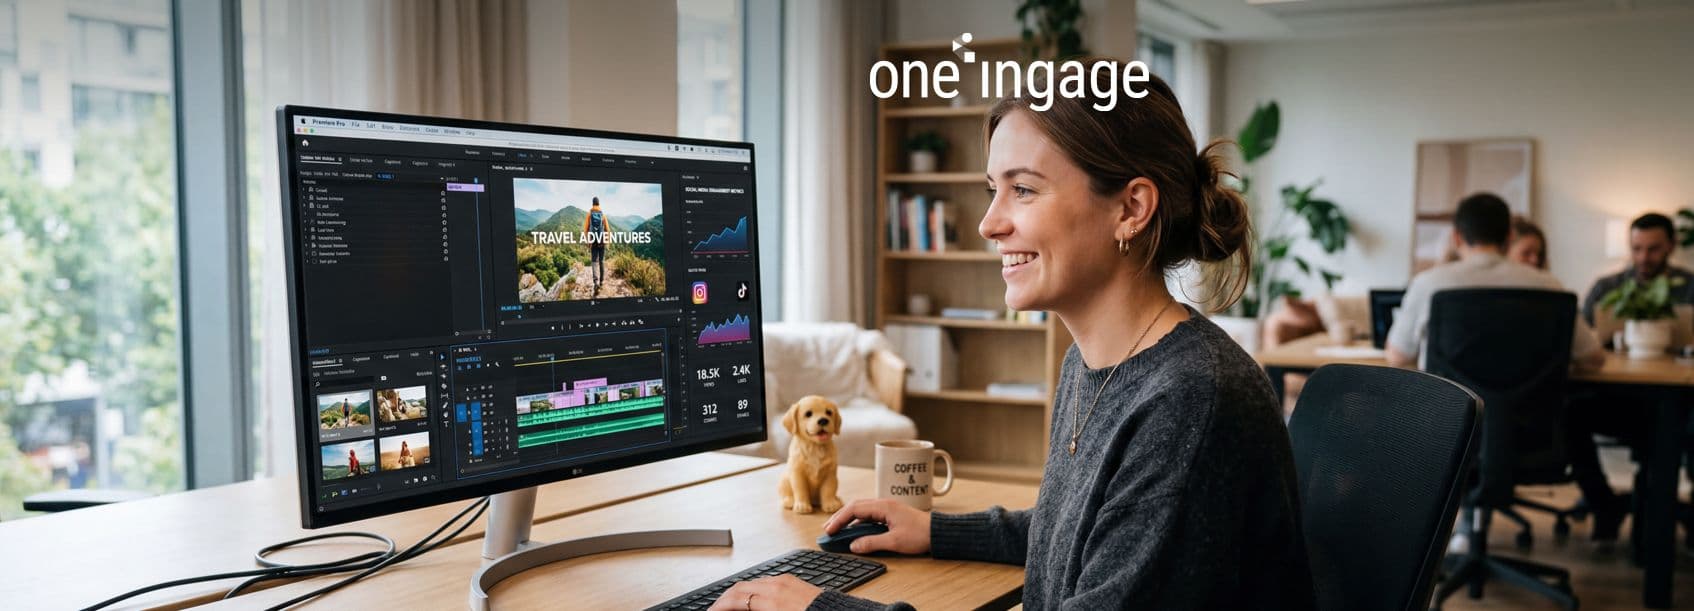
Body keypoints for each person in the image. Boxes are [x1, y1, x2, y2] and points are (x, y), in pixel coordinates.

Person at [710, 62, 1314, 611]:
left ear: (1131, 208)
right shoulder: (1095, 360)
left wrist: (818, 608)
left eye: (1022, 189)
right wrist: (936, 530)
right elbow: (1076, 531)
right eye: (992, 189)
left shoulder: (1191, 399)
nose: (989, 222)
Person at [1384, 193, 1603, 372]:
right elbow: (1593, 359)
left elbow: (1397, 356)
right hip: (1530, 422)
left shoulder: (1429, 284)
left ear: (1457, 237)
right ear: (1508, 236)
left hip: (1451, 422)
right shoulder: (1550, 287)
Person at [1582, 212, 1694, 327]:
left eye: (1653, 249)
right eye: (1637, 248)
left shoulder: (1690, 286)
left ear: (1671, 246)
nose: (1643, 257)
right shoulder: (1604, 288)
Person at [582, 197, 614, 292]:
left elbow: (585, 230)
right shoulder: (603, 215)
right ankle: (601, 282)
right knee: (601, 261)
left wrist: (588, 240)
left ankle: (595, 283)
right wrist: (607, 241)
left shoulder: (589, 214)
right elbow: (608, 230)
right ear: (599, 204)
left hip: (593, 241)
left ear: (592, 204)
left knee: (594, 262)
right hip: (602, 241)